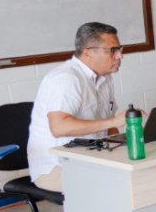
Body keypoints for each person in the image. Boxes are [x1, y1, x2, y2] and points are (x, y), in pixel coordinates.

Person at [28, 23, 131, 192]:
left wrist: (126, 141)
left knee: (140, 167)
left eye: (119, 49)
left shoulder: (105, 78)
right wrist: (114, 121)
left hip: (92, 156)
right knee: (121, 183)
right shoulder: (66, 78)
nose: (120, 56)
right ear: (87, 52)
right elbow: (59, 127)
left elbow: (109, 127)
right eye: (112, 50)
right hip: (57, 166)